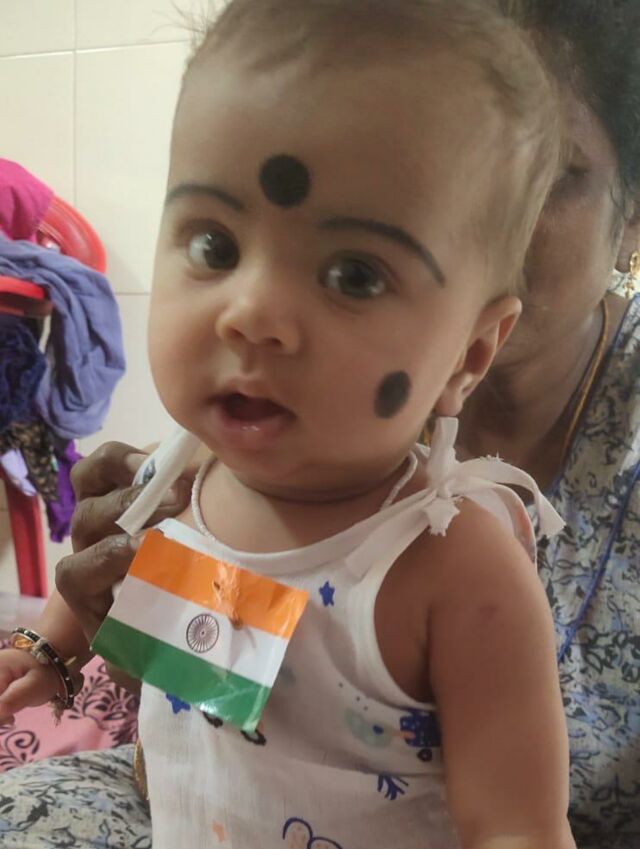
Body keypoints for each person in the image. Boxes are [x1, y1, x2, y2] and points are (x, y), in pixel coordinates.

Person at [0, 1, 577, 847]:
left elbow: (518, 828)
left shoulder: (453, 572)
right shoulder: (178, 474)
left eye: (353, 274)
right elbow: (108, 585)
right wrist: (48, 648)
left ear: (470, 352)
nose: (252, 312)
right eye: (215, 246)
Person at [459, 2, 640, 847]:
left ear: (631, 212)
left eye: (551, 171)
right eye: (449, 155)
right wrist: (152, 622)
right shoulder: (319, 370)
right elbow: (201, 707)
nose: (484, 211)